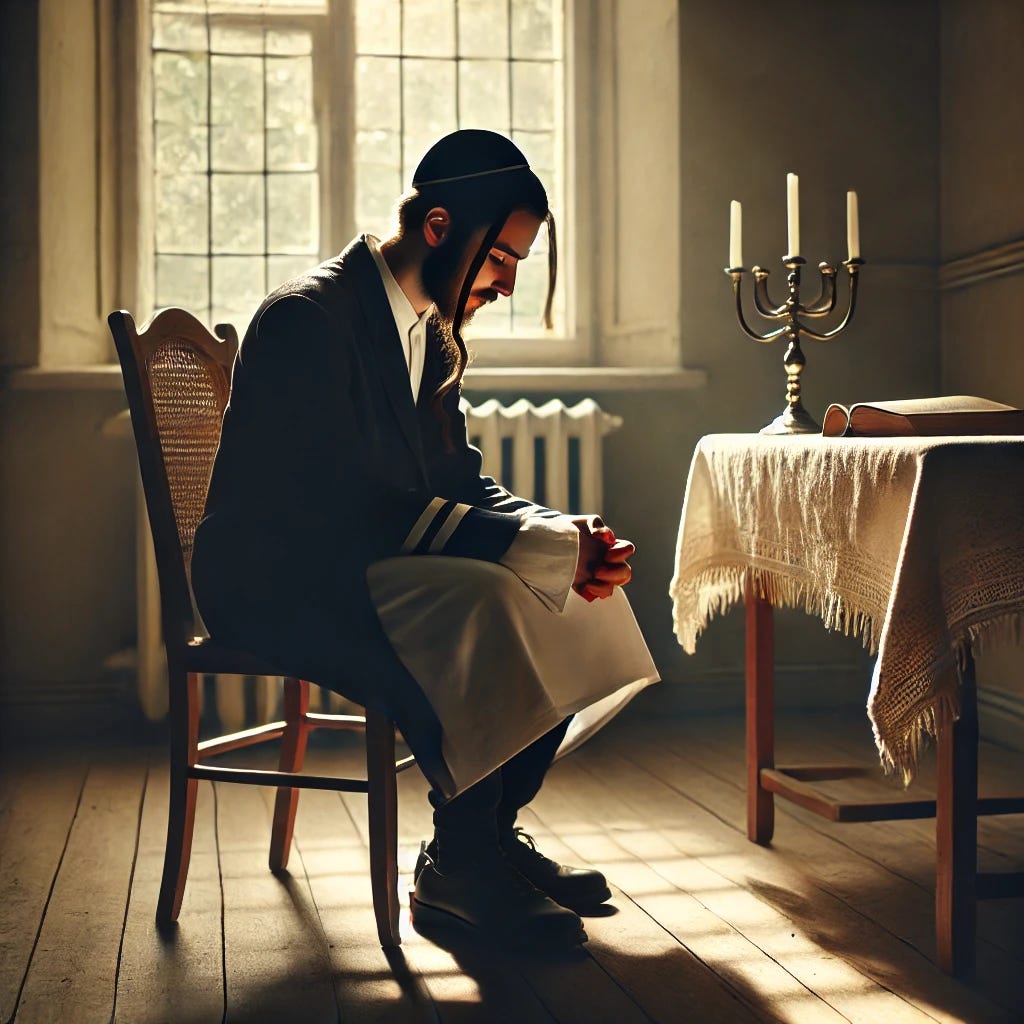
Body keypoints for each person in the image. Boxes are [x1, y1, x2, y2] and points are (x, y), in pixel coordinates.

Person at [192, 130, 658, 951]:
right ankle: (465, 863)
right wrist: (527, 549)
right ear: (439, 227)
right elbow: (340, 507)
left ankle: (479, 842)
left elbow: (455, 479)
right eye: (501, 259)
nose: (506, 285)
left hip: (355, 559)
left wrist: (554, 531)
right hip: (277, 578)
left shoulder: (427, 332)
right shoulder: (308, 318)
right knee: (494, 592)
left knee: (554, 582)